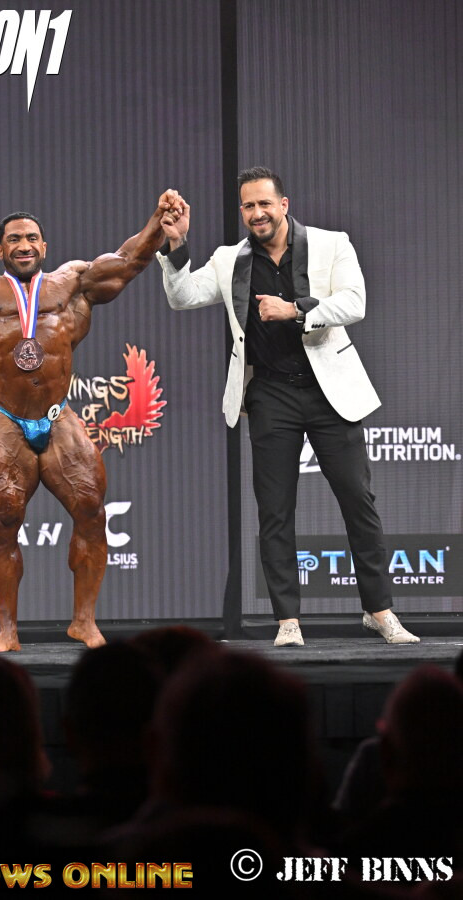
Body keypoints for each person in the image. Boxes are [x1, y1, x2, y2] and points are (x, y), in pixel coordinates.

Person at [0, 192, 182, 651]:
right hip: (8, 422)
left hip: (59, 418)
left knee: (91, 512)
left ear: (44, 246)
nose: (24, 245)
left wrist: (157, 219)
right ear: (0, 250)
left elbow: (130, 261)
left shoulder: (72, 283)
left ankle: (84, 622)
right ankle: (7, 631)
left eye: (31, 237)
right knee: (2, 522)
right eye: (14, 239)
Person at [158, 168, 419, 647]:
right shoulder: (229, 259)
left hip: (328, 391)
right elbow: (183, 297)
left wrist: (296, 309)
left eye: (264, 204)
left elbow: (355, 303)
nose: (256, 213)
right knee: (275, 511)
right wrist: (176, 244)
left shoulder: (331, 244)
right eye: (248, 206)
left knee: (358, 503)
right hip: (270, 393)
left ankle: (379, 611)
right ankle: (287, 622)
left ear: (284, 204)